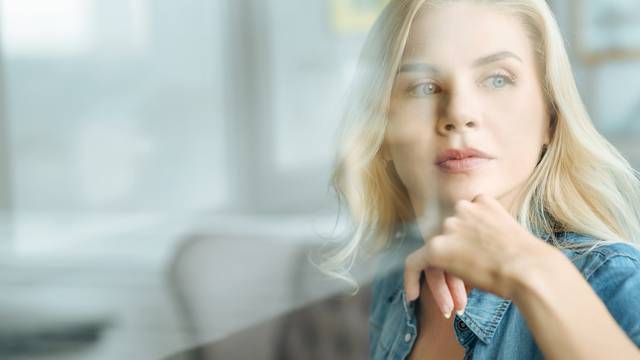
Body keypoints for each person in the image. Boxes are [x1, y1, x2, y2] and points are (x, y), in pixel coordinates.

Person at [319, 0, 640, 359]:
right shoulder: (397, 281)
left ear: (550, 117)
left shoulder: (612, 280)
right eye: (424, 87)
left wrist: (532, 272)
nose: (458, 113)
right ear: (384, 130)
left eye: (497, 79)